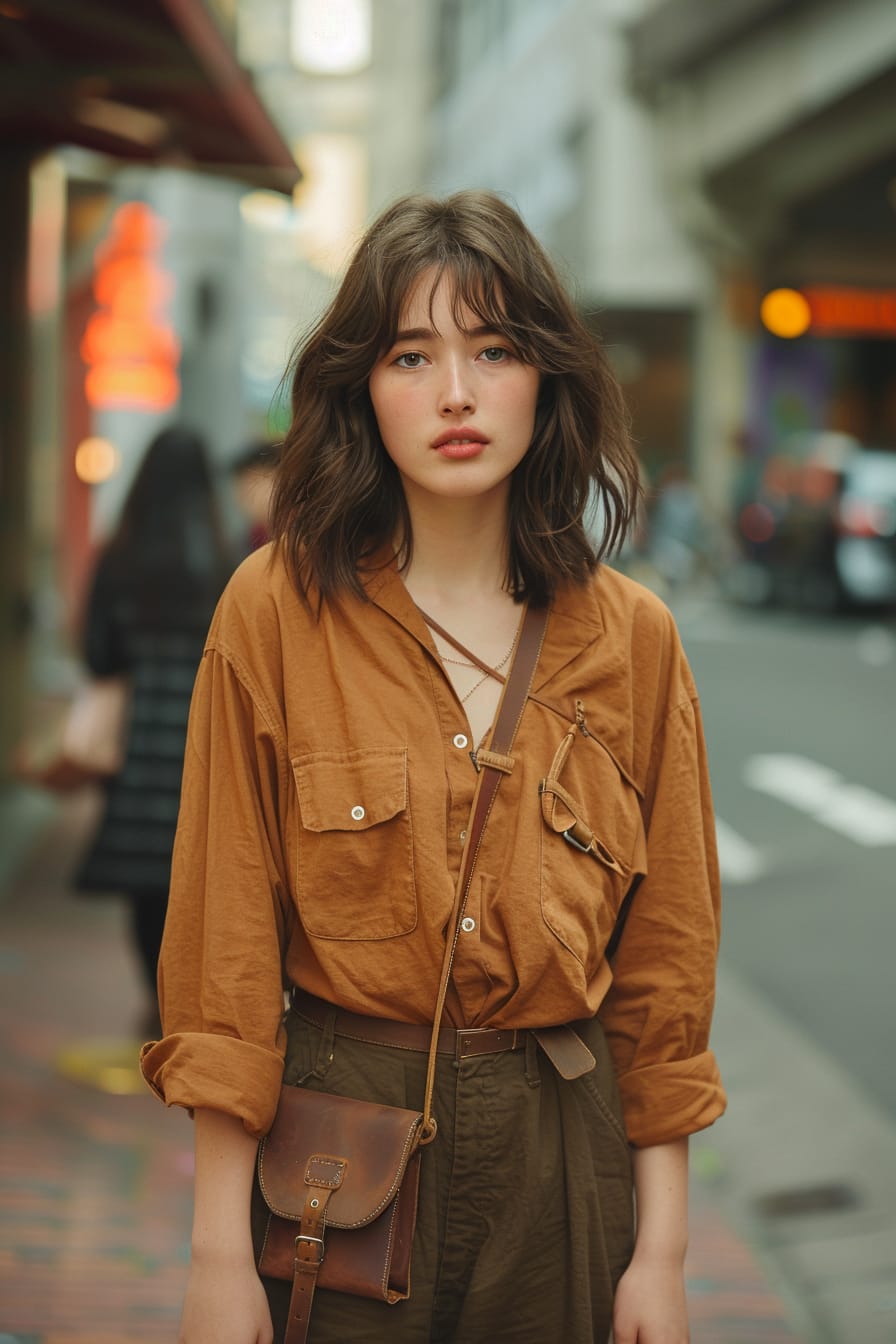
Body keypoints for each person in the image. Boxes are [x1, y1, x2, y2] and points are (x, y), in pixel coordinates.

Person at [141, 191, 725, 1344]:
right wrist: (216, 1257)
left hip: (561, 1169)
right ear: (363, 383)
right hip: (333, 1153)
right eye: (412, 355)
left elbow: (665, 980)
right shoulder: (275, 611)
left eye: (494, 349)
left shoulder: (632, 640)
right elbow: (224, 957)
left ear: (545, 376)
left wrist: (658, 1254)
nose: (455, 392)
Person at [73, 425, 231, 1035]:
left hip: (137, 745)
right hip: (202, 740)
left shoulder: (120, 556)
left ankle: (156, 999)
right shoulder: (225, 559)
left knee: (145, 886)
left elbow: (97, 653)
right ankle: (188, 1002)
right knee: (200, 878)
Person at [229, 437, 282, 555]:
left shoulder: (305, 535)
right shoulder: (249, 541)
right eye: (240, 488)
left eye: (251, 483)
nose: (240, 498)